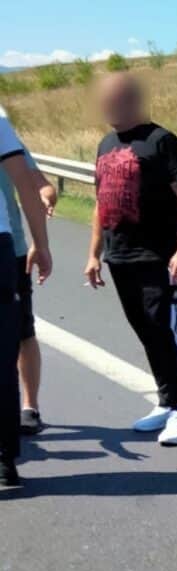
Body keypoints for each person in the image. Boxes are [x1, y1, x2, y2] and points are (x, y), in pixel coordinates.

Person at [84, 74, 177, 446]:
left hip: (156, 256)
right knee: (145, 331)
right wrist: (93, 254)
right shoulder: (104, 144)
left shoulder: (161, 141)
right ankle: (165, 403)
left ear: (132, 100)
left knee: (165, 330)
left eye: (113, 100)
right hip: (119, 256)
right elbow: (101, 203)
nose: (106, 107)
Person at [0, 106, 54, 486]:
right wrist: (43, 243)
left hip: (8, 249)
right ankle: (5, 460)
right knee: (4, 353)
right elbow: (24, 181)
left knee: (17, 339)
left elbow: (29, 180)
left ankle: (28, 409)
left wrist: (37, 242)